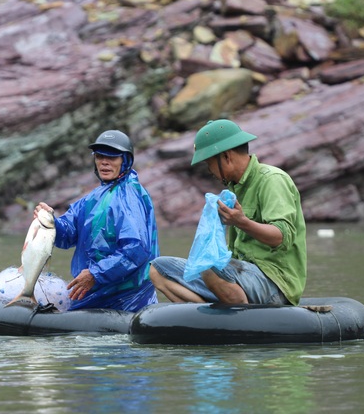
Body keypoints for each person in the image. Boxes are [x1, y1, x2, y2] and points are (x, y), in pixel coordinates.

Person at [150, 119, 307, 305]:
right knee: (157, 269)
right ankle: (206, 317)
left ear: (226, 157)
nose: (210, 170)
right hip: (239, 276)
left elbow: (281, 237)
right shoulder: (233, 189)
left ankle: (241, 322)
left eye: (209, 163)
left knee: (209, 266)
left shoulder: (272, 180)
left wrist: (242, 222)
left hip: (275, 282)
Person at [35, 130, 159, 312]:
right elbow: (67, 235)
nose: (104, 162)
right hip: (93, 295)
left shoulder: (130, 195)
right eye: (100, 156)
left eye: (112, 157)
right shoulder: (93, 198)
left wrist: (96, 273)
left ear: (125, 160)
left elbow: (136, 249)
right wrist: (51, 222)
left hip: (126, 300)